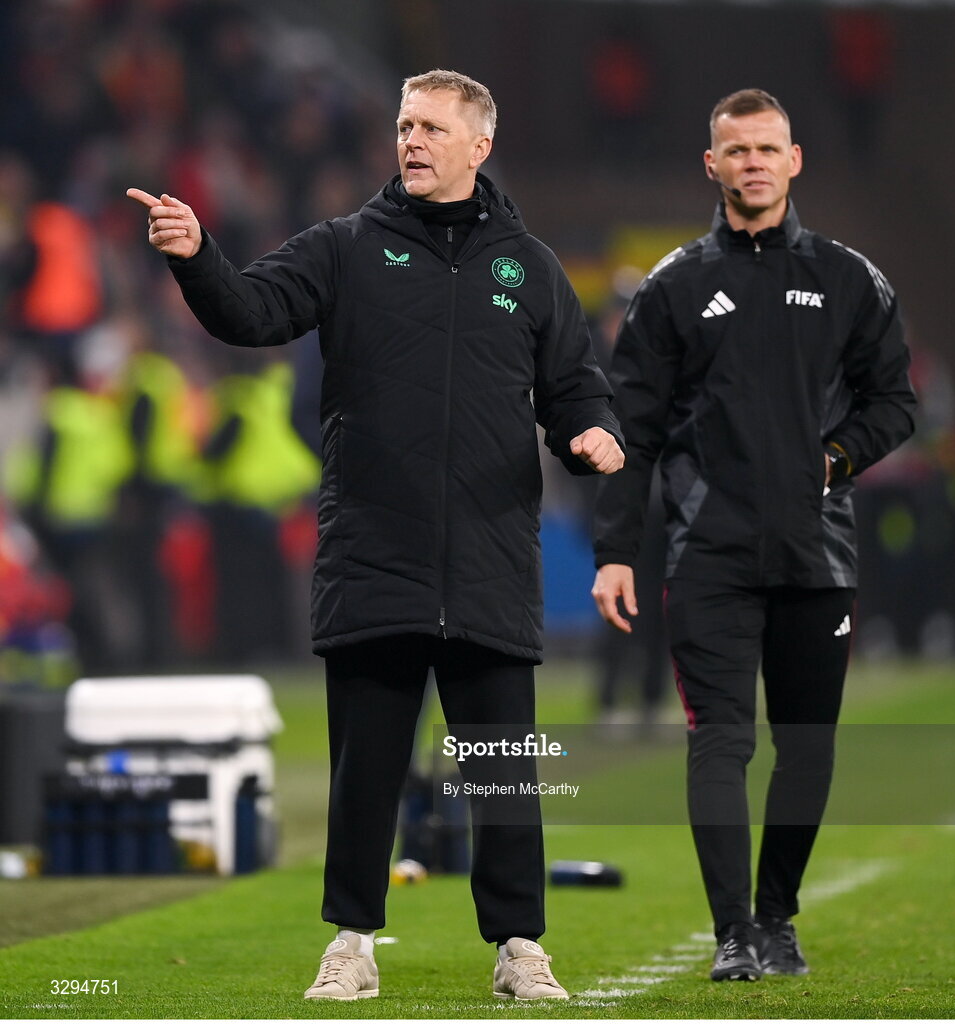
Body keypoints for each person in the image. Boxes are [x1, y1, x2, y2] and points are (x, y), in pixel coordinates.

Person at [128, 68, 624, 1002]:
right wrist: (197, 254)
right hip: (374, 556)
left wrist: (591, 432)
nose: (413, 141)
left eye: (434, 127)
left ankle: (520, 949)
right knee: (367, 773)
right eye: (405, 124)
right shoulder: (347, 247)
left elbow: (575, 387)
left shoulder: (533, 269)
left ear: (480, 144)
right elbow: (252, 311)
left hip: (487, 557)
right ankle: (351, 945)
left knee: (504, 777)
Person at [592, 88, 916, 982]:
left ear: (795, 158)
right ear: (713, 165)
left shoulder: (852, 279)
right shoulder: (674, 287)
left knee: (808, 749)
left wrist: (838, 456)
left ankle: (777, 917)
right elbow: (631, 434)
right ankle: (734, 931)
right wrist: (616, 552)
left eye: (768, 149)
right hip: (709, 557)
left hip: (820, 555)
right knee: (721, 742)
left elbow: (896, 402)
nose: (754, 164)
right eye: (736, 151)